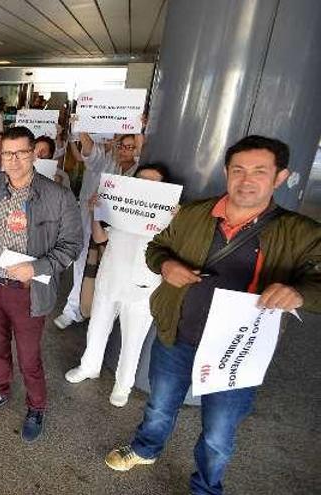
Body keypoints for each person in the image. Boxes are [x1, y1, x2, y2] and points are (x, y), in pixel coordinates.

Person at [104, 136, 319, 495]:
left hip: (237, 350)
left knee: (220, 432)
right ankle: (145, 449)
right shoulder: (194, 213)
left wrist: (300, 293)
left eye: (260, 172)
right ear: (226, 172)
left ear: (280, 177)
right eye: (238, 170)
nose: (246, 180)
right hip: (178, 334)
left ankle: (206, 486)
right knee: (159, 404)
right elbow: (158, 247)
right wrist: (167, 264)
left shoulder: (299, 232)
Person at [0, 126, 82, 442]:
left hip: (28, 289)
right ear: (0, 155)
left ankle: (36, 407)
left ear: (34, 153)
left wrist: (36, 268)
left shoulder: (57, 196)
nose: (15, 160)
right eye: (8, 153)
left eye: (22, 152)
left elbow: (72, 244)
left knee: (29, 355)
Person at [64, 163, 173, 407]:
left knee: (133, 340)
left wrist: (174, 217)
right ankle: (88, 366)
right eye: (141, 180)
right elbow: (100, 237)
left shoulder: (169, 217)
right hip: (110, 278)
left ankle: (123, 384)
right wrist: (96, 213)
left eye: (154, 183)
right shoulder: (122, 208)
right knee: (97, 328)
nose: (146, 186)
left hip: (143, 287)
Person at [54, 132, 142, 330]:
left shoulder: (140, 169)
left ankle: (104, 315)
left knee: (112, 271)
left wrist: (138, 127)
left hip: (121, 230)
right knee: (83, 265)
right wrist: (84, 123)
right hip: (91, 221)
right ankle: (73, 310)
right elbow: (89, 152)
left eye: (131, 146)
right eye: (122, 145)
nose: (125, 150)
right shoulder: (105, 159)